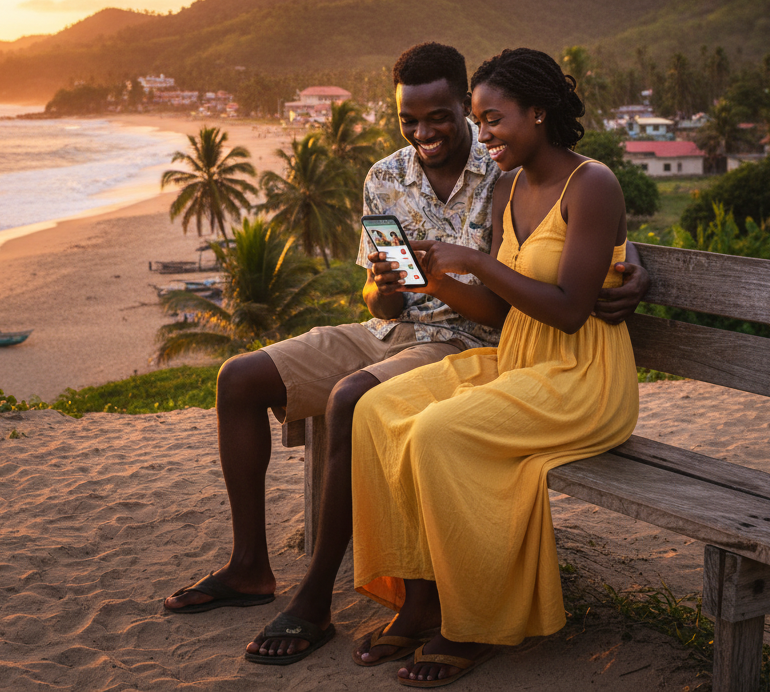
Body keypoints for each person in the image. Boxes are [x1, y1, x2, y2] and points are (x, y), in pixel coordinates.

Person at [163, 42, 647, 665]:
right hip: (396, 330)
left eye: (444, 116)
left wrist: (632, 265)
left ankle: (319, 597)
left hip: (471, 341)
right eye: (409, 121)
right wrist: (385, 290)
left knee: (358, 402)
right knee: (239, 378)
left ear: (474, 108)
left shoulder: (503, 174)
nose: (426, 132)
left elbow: (576, 251)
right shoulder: (389, 178)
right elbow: (380, 300)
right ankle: (251, 568)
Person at [351, 48, 639, 686]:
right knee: (376, 409)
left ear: (538, 113)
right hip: (517, 358)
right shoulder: (507, 186)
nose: (484, 137)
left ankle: (472, 622)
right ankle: (419, 600)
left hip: (579, 379)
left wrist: (476, 261)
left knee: (437, 432)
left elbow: (568, 311)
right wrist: (430, 279)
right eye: (479, 122)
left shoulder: (593, 184)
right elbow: (495, 308)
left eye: (493, 120)